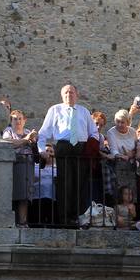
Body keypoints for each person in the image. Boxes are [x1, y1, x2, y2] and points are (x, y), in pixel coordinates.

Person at [38, 83, 100, 225]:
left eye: (71, 92)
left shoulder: (84, 111)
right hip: (63, 146)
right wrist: (41, 149)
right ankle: (65, 219)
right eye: (66, 92)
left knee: (80, 184)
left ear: (77, 95)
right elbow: (44, 132)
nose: (68, 95)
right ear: (61, 95)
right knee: (65, 183)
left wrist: (91, 147)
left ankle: (79, 217)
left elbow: (94, 133)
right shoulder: (55, 110)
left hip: (81, 148)